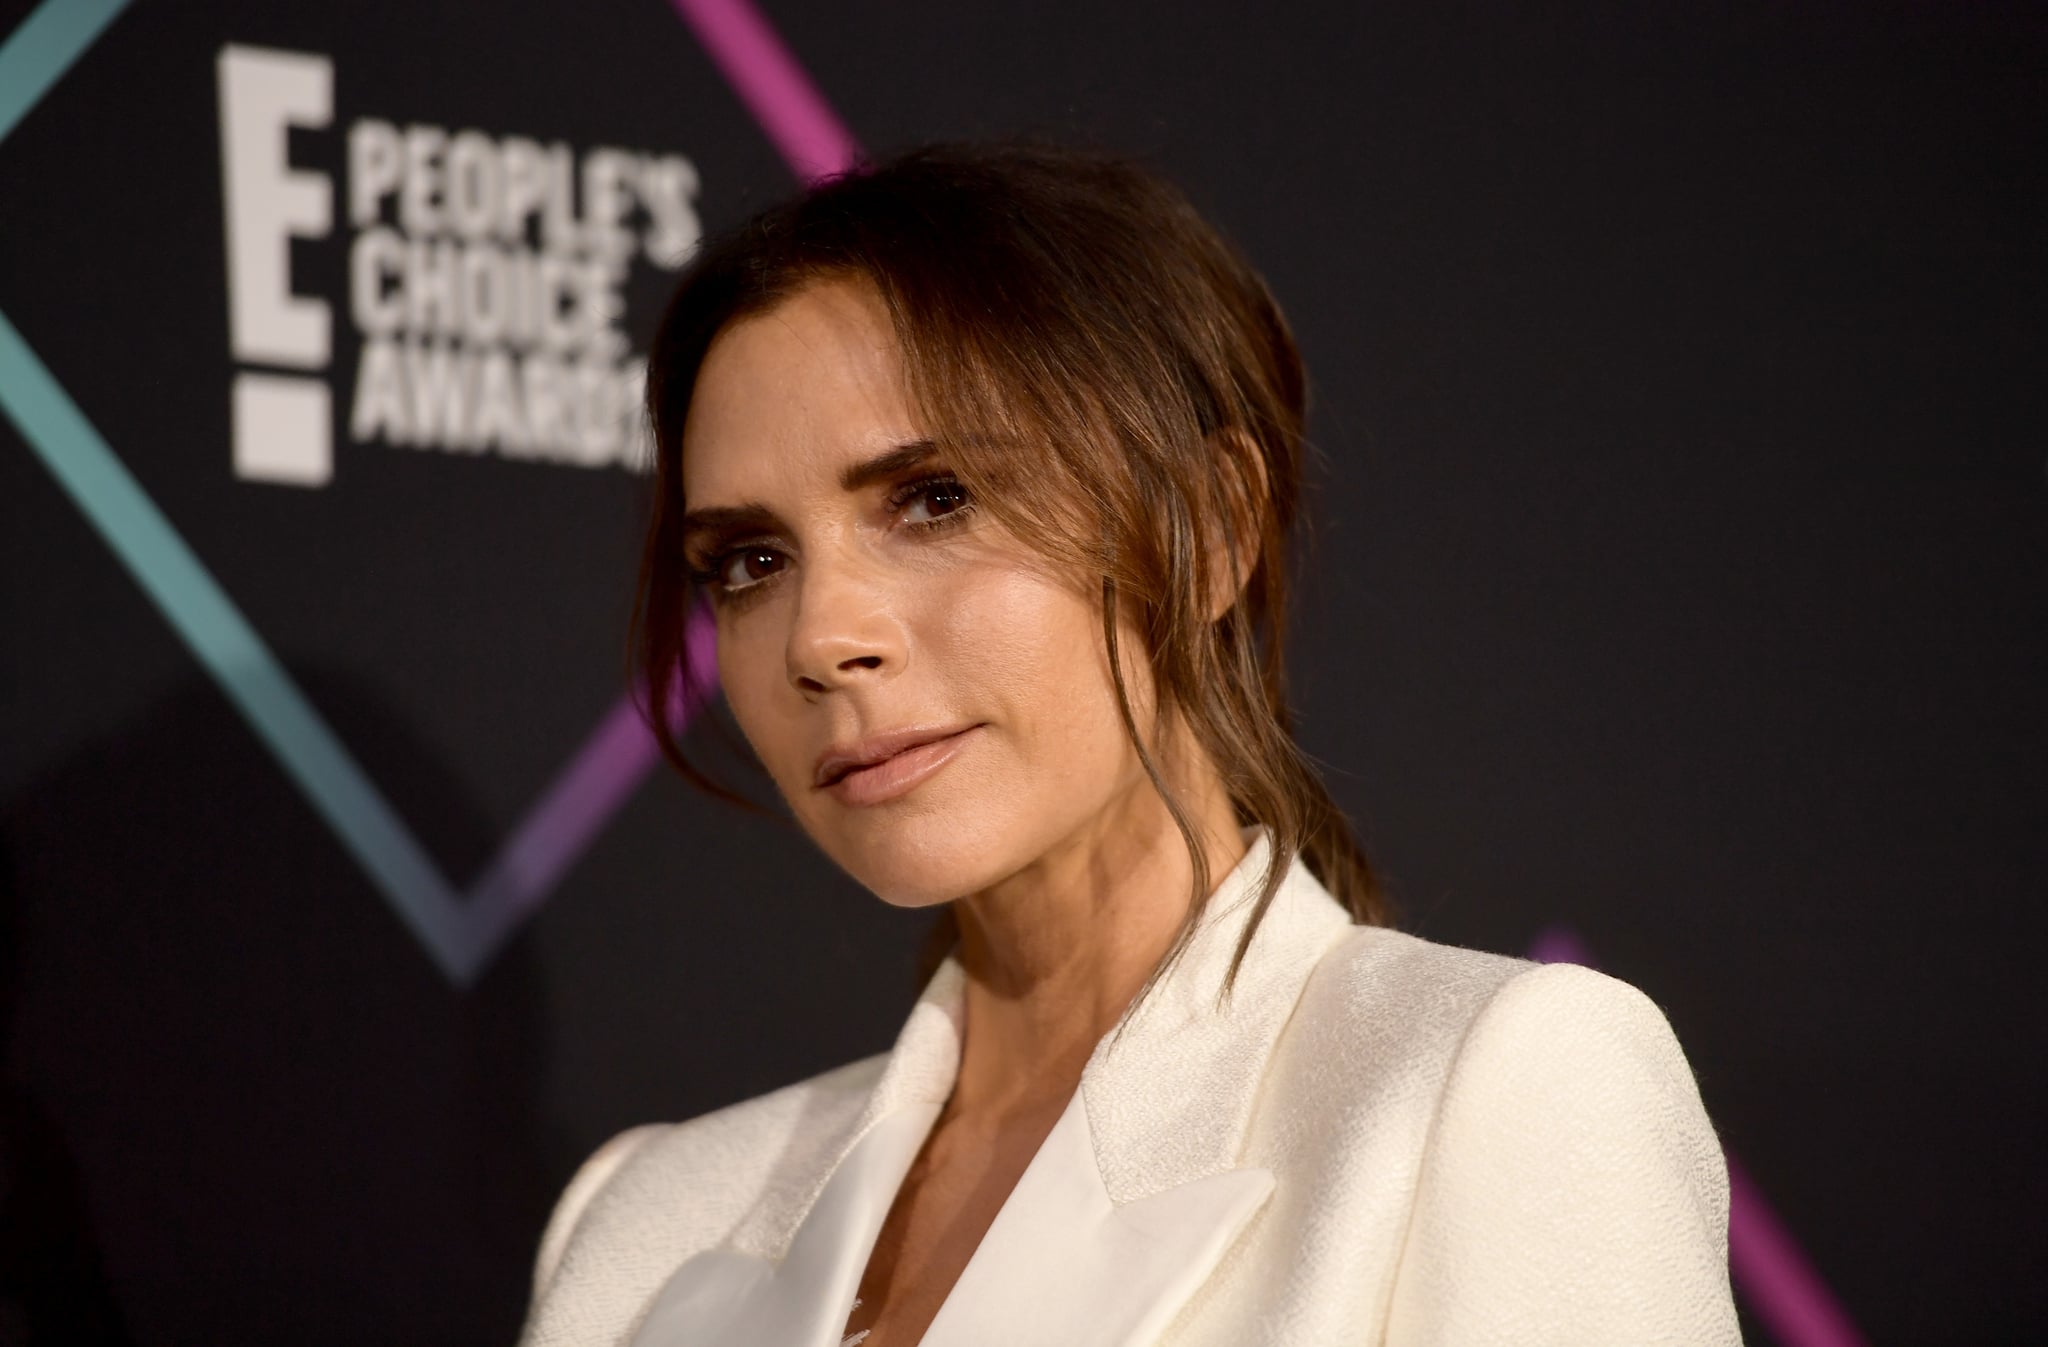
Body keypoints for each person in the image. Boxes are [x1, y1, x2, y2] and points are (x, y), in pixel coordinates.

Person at [518, 142, 1741, 1347]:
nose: (822, 636)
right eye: (749, 561)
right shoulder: (644, 1222)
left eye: (934, 499)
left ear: (1207, 528)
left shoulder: (1488, 1093)